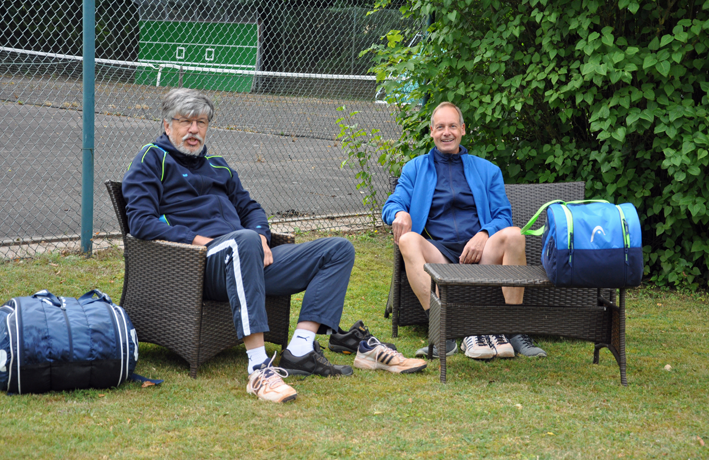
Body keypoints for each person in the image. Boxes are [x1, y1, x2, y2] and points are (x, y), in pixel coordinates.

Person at [123, 88, 362, 403]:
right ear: (167, 125)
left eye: (201, 122)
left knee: (338, 249)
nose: (194, 130)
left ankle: (301, 350)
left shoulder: (218, 165)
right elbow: (141, 222)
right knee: (243, 241)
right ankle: (259, 368)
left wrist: (261, 236)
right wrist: (200, 241)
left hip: (247, 254)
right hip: (199, 265)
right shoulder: (152, 159)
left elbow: (251, 209)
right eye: (185, 122)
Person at [381, 101, 546, 360]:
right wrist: (399, 213)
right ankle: (441, 334)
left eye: (452, 126)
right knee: (408, 240)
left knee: (515, 234)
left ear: (463, 129)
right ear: (432, 132)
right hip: (440, 253)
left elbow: (503, 215)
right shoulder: (415, 168)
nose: (446, 132)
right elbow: (393, 203)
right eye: (440, 127)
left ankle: (515, 331)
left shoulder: (488, 170)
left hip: (482, 251)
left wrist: (484, 234)